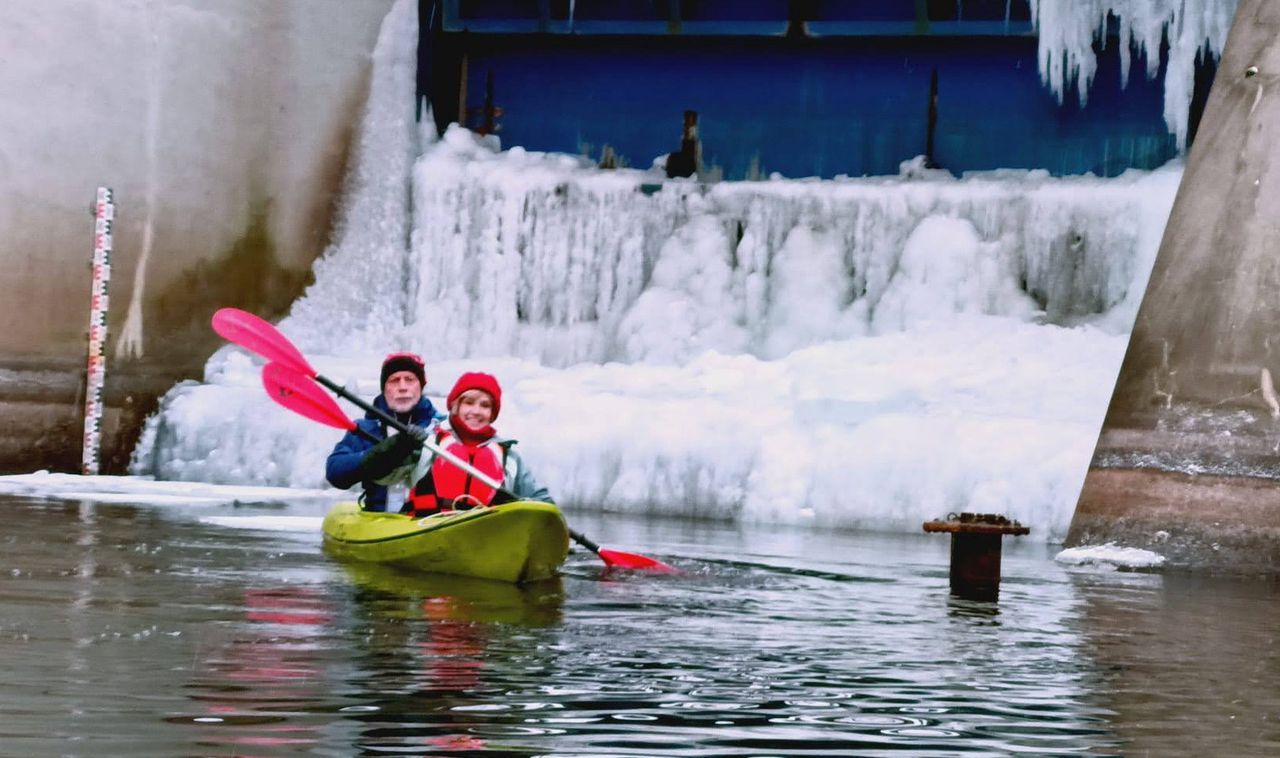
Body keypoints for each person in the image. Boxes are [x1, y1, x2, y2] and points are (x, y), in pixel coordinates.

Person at [365, 371, 553, 515]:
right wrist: (399, 445)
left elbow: (541, 502)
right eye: (469, 402)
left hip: (487, 534)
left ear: (493, 414)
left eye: (485, 405)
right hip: (426, 527)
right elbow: (381, 476)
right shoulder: (428, 443)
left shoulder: (508, 457)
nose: (476, 411)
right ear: (455, 406)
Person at [325, 352, 444, 512]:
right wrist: (387, 450)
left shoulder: (440, 427)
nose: (402, 387)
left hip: (424, 520)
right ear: (384, 389)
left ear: (420, 387)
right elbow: (335, 473)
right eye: (394, 380)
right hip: (377, 520)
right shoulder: (365, 428)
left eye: (410, 380)